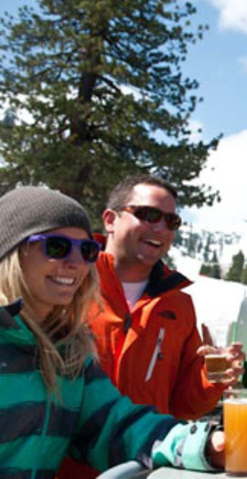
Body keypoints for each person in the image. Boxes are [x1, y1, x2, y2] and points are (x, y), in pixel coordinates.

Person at [0, 186, 231, 476]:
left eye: (86, 251)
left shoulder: (68, 351)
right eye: (56, 247)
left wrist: (204, 445)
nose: (74, 263)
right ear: (11, 250)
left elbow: (115, 424)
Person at [59, 175, 245, 478]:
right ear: (110, 219)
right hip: (67, 469)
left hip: (145, 468)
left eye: (171, 221)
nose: (161, 228)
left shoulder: (179, 305)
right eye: (148, 215)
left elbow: (185, 407)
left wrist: (211, 378)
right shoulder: (67, 283)